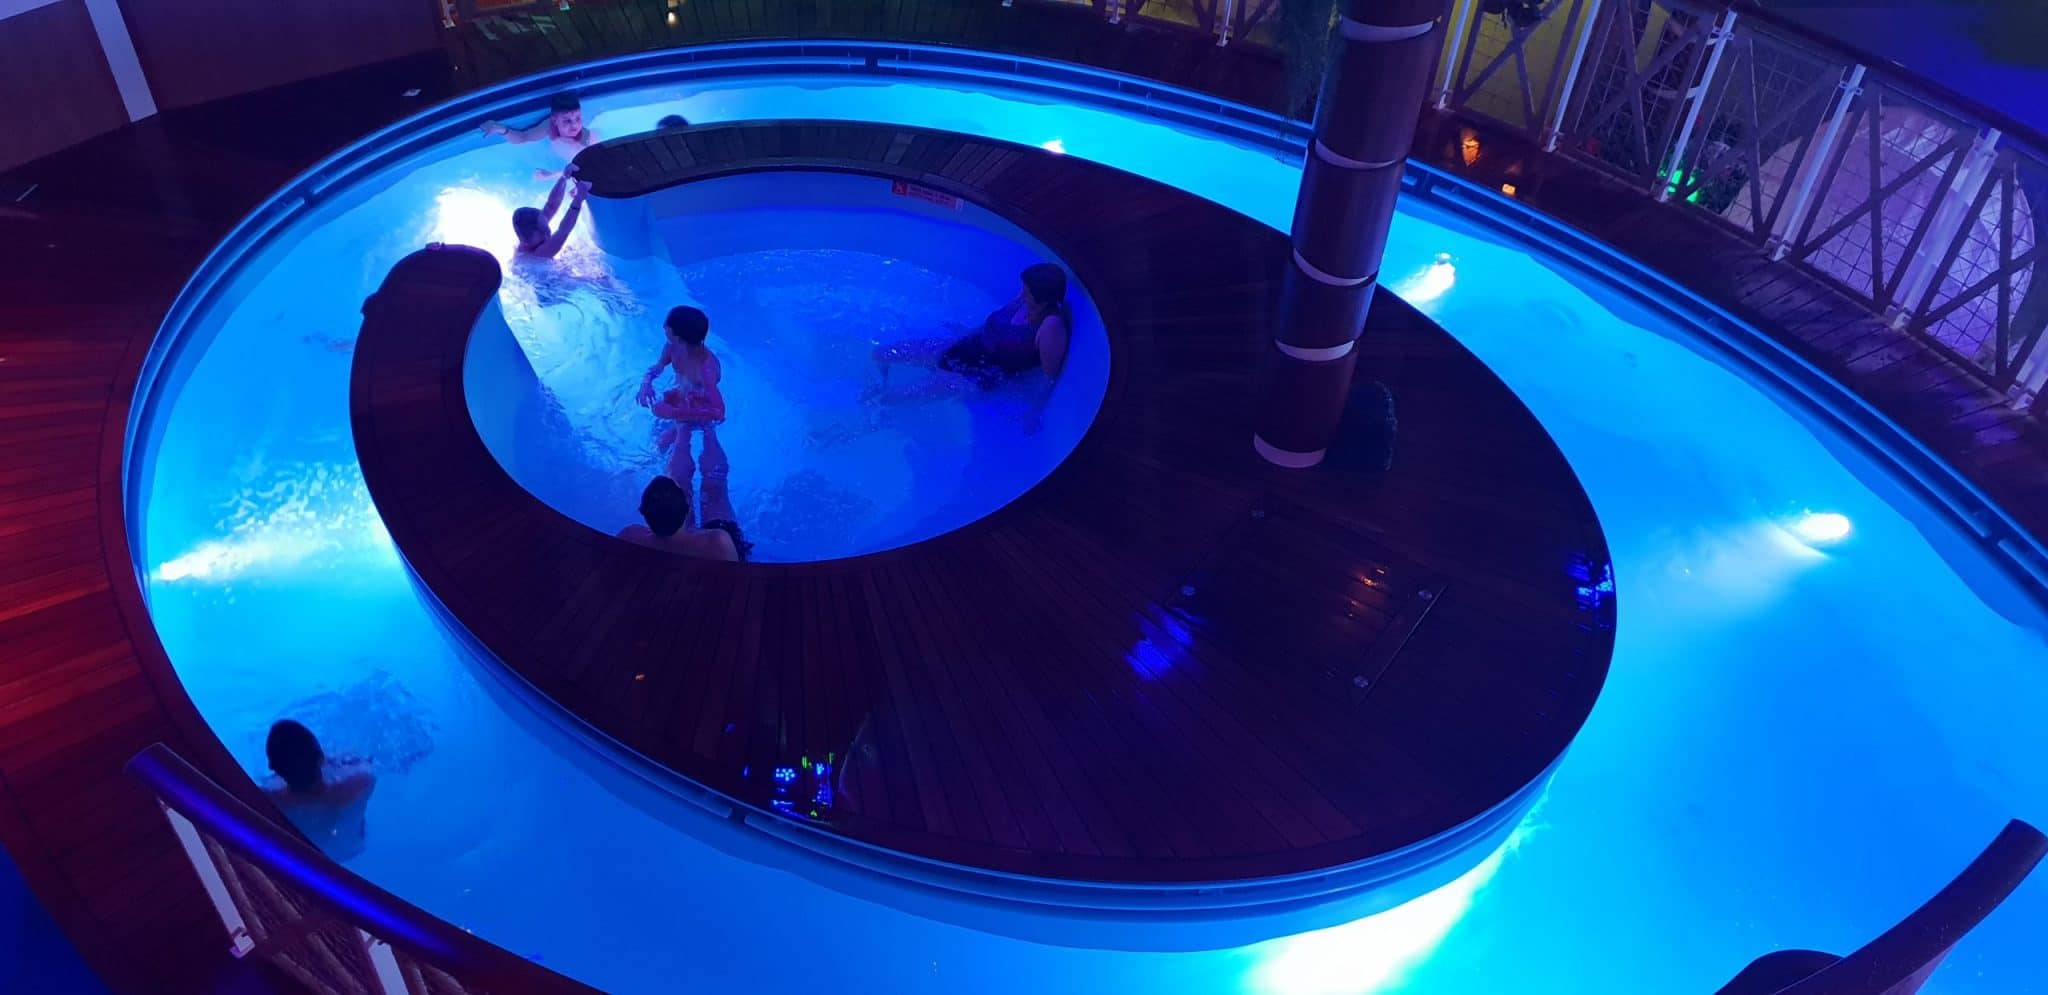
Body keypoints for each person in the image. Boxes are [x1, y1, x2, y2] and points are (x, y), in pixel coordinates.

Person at [872, 262, 1070, 398]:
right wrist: (965, 332)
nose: (1022, 293)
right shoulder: (1023, 301)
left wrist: (1033, 412)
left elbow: (1049, 377)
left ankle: (871, 419)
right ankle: (880, 383)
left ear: (1043, 301)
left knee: (890, 399)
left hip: (976, 376)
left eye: (1027, 292)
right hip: (964, 349)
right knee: (881, 354)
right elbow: (992, 325)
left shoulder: (1050, 327)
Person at [262, 720, 376, 861]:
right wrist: (332, 760)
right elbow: (366, 764)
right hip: (351, 849)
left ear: (273, 768)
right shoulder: (356, 786)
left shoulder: (271, 800)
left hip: (302, 860)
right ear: (321, 758)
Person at [616, 462, 748, 561]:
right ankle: (704, 434)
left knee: (680, 486)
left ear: (642, 511)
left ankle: (682, 434)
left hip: (683, 547)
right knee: (715, 490)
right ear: (688, 507)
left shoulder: (630, 537)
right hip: (709, 551)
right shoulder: (718, 542)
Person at [636, 305, 725, 426]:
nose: (663, 326)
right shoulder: (672, 346)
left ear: (678, 337)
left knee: (678, 436)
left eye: (668, 325)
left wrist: (675, 413)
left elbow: (719, 412)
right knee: (660, 430)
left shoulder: (706, 369)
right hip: (683, 394)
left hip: (701, 406)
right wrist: (646, 384)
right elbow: (659, 366)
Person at [480, 92, 599, 159]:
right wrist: (499, 128)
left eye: (578, 118)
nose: (575, 125)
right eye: (567, 121)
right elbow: (523, 138)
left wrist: (552, 175)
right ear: (554, 120)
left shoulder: (586, 141)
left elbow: (587, 166)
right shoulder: (550, 126)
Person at [513, 165, 592, 262]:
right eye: (543, 231)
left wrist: (563, 178)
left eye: (546, 227)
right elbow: (563, 231)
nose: (548, 232)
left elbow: (551, 205)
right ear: (526, 240)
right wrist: (578, 199)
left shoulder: (531, 234)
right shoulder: (538, 255)